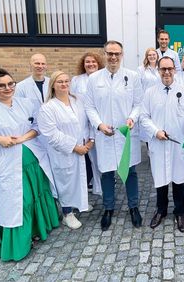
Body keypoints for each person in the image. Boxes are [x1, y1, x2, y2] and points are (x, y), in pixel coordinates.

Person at [0, 68, 59, 261]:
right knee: (20, 202)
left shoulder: (25, 103)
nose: (7, 88)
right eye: (1, 85)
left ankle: (38, 229)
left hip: (33, 160)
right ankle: (19, 243)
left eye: (11, 84)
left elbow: (36, 127)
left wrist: (23, 137)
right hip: (8, 164)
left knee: (37, 194)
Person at [85, 40, 143, 231]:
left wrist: (132, 119)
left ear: (122, 55)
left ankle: (133, 207)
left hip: (126, 134)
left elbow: (138, 104)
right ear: (104, 54)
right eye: (110, 53)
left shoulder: (132, 77)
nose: (113, 57)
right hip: (105, 134)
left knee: (130, 172)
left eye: (117, 53)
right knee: (107, 173)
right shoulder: (94, 79)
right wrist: (99, 125)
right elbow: (89, 106)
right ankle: (108, 208)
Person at [140, 56, 184, 232]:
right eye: (163, 69)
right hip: (159, 143)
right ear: (158, 70)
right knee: (160, 178)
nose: (166, 72)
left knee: (178, 178)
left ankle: (179, 212)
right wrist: (155, 131)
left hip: (178, 143)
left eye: (169, 69)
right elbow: (143, 117)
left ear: (175, 70)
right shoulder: (150, 92)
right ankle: (161, 210)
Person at [37, 71, 93, 230]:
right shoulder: (48, 108)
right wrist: (75, 147)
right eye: (60, 82)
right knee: (66, 182)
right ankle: (67, 214)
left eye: (66, 81)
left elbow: (86, 122)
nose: (64, 84)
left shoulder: (78, 101)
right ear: (53, 85)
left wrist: (90, 141)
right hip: (64, 153)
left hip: (84, 148)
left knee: (84, 176)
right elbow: (52, 135)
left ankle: (79, 203)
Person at [70, 52, 105, 196]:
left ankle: (103, 182)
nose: (90, 64)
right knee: (86, 154)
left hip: (101, 120)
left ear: (98, 63)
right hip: (84, 121)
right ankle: (89, 182)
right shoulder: (77, 80)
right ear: (83, 65)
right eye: (87, 62)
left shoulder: (103, 77)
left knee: (102, 154)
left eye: (93, 62)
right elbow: (72, 99)